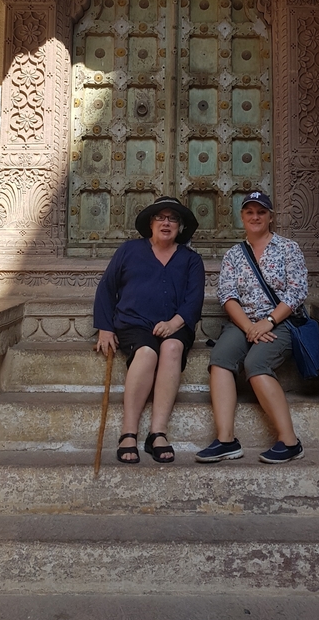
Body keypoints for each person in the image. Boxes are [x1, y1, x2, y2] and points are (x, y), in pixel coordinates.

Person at [195, 191, 308, 465]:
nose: (255, 217)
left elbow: (296, 292)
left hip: (280, 322)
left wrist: (267, 322)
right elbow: (227, 296)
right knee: (221, 359)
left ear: (271, 217)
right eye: (250, 212)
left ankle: (289, 441)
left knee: (256, 364)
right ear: (242, 217)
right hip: (244, 322)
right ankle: (226, 440)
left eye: (261, 212)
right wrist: (249, 327)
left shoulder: (288, 248)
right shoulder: (234, 254)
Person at [94, 196, 204, 465]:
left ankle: (158, 433)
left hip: (176, 325)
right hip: (134, 323)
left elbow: (194, 300)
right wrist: (105, 328)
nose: (166, 223)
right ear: (151, 223)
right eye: (161, 217)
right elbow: (107, 288)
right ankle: (128, 433)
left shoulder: (191, 260)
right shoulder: (129, 250)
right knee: (146, 353)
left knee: (172, 348)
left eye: (173, 218)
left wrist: (174, 324)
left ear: (180, 226)